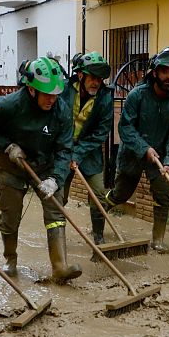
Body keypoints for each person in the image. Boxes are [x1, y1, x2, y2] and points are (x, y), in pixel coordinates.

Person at [0, 56, 81, 283]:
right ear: (32, 90)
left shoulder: (61, 111)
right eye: (47, 94)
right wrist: (7, 146)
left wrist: (55, 179)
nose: (52, 99)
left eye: (55, 94)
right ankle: (10, 260)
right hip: (11, 165)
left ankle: (60, 266)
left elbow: (64, 150)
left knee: (55, 208)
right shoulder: (9, 105)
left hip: (45, 163)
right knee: (10, 213)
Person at [104, 46, 169, 253]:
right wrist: (144, 148)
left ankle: (157, 240)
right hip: (133, 152)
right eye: (165, 71)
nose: (168, 76)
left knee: (163, 195)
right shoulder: (137, 95)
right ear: (155, 72)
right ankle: (100, 213)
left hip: (159, 157)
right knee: (121, 194)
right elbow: (125, 127)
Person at [59, 51, 113, 244]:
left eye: (99, 78)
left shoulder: (105, 98)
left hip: (89, 152)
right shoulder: (63, 90)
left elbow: (101, 131)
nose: (96, 82)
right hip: (62, 151)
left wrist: (79, 153)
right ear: (81, 75)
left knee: (99, 194)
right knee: (58, 196)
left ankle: (98, 237)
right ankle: (58, 237)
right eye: (92, 77)